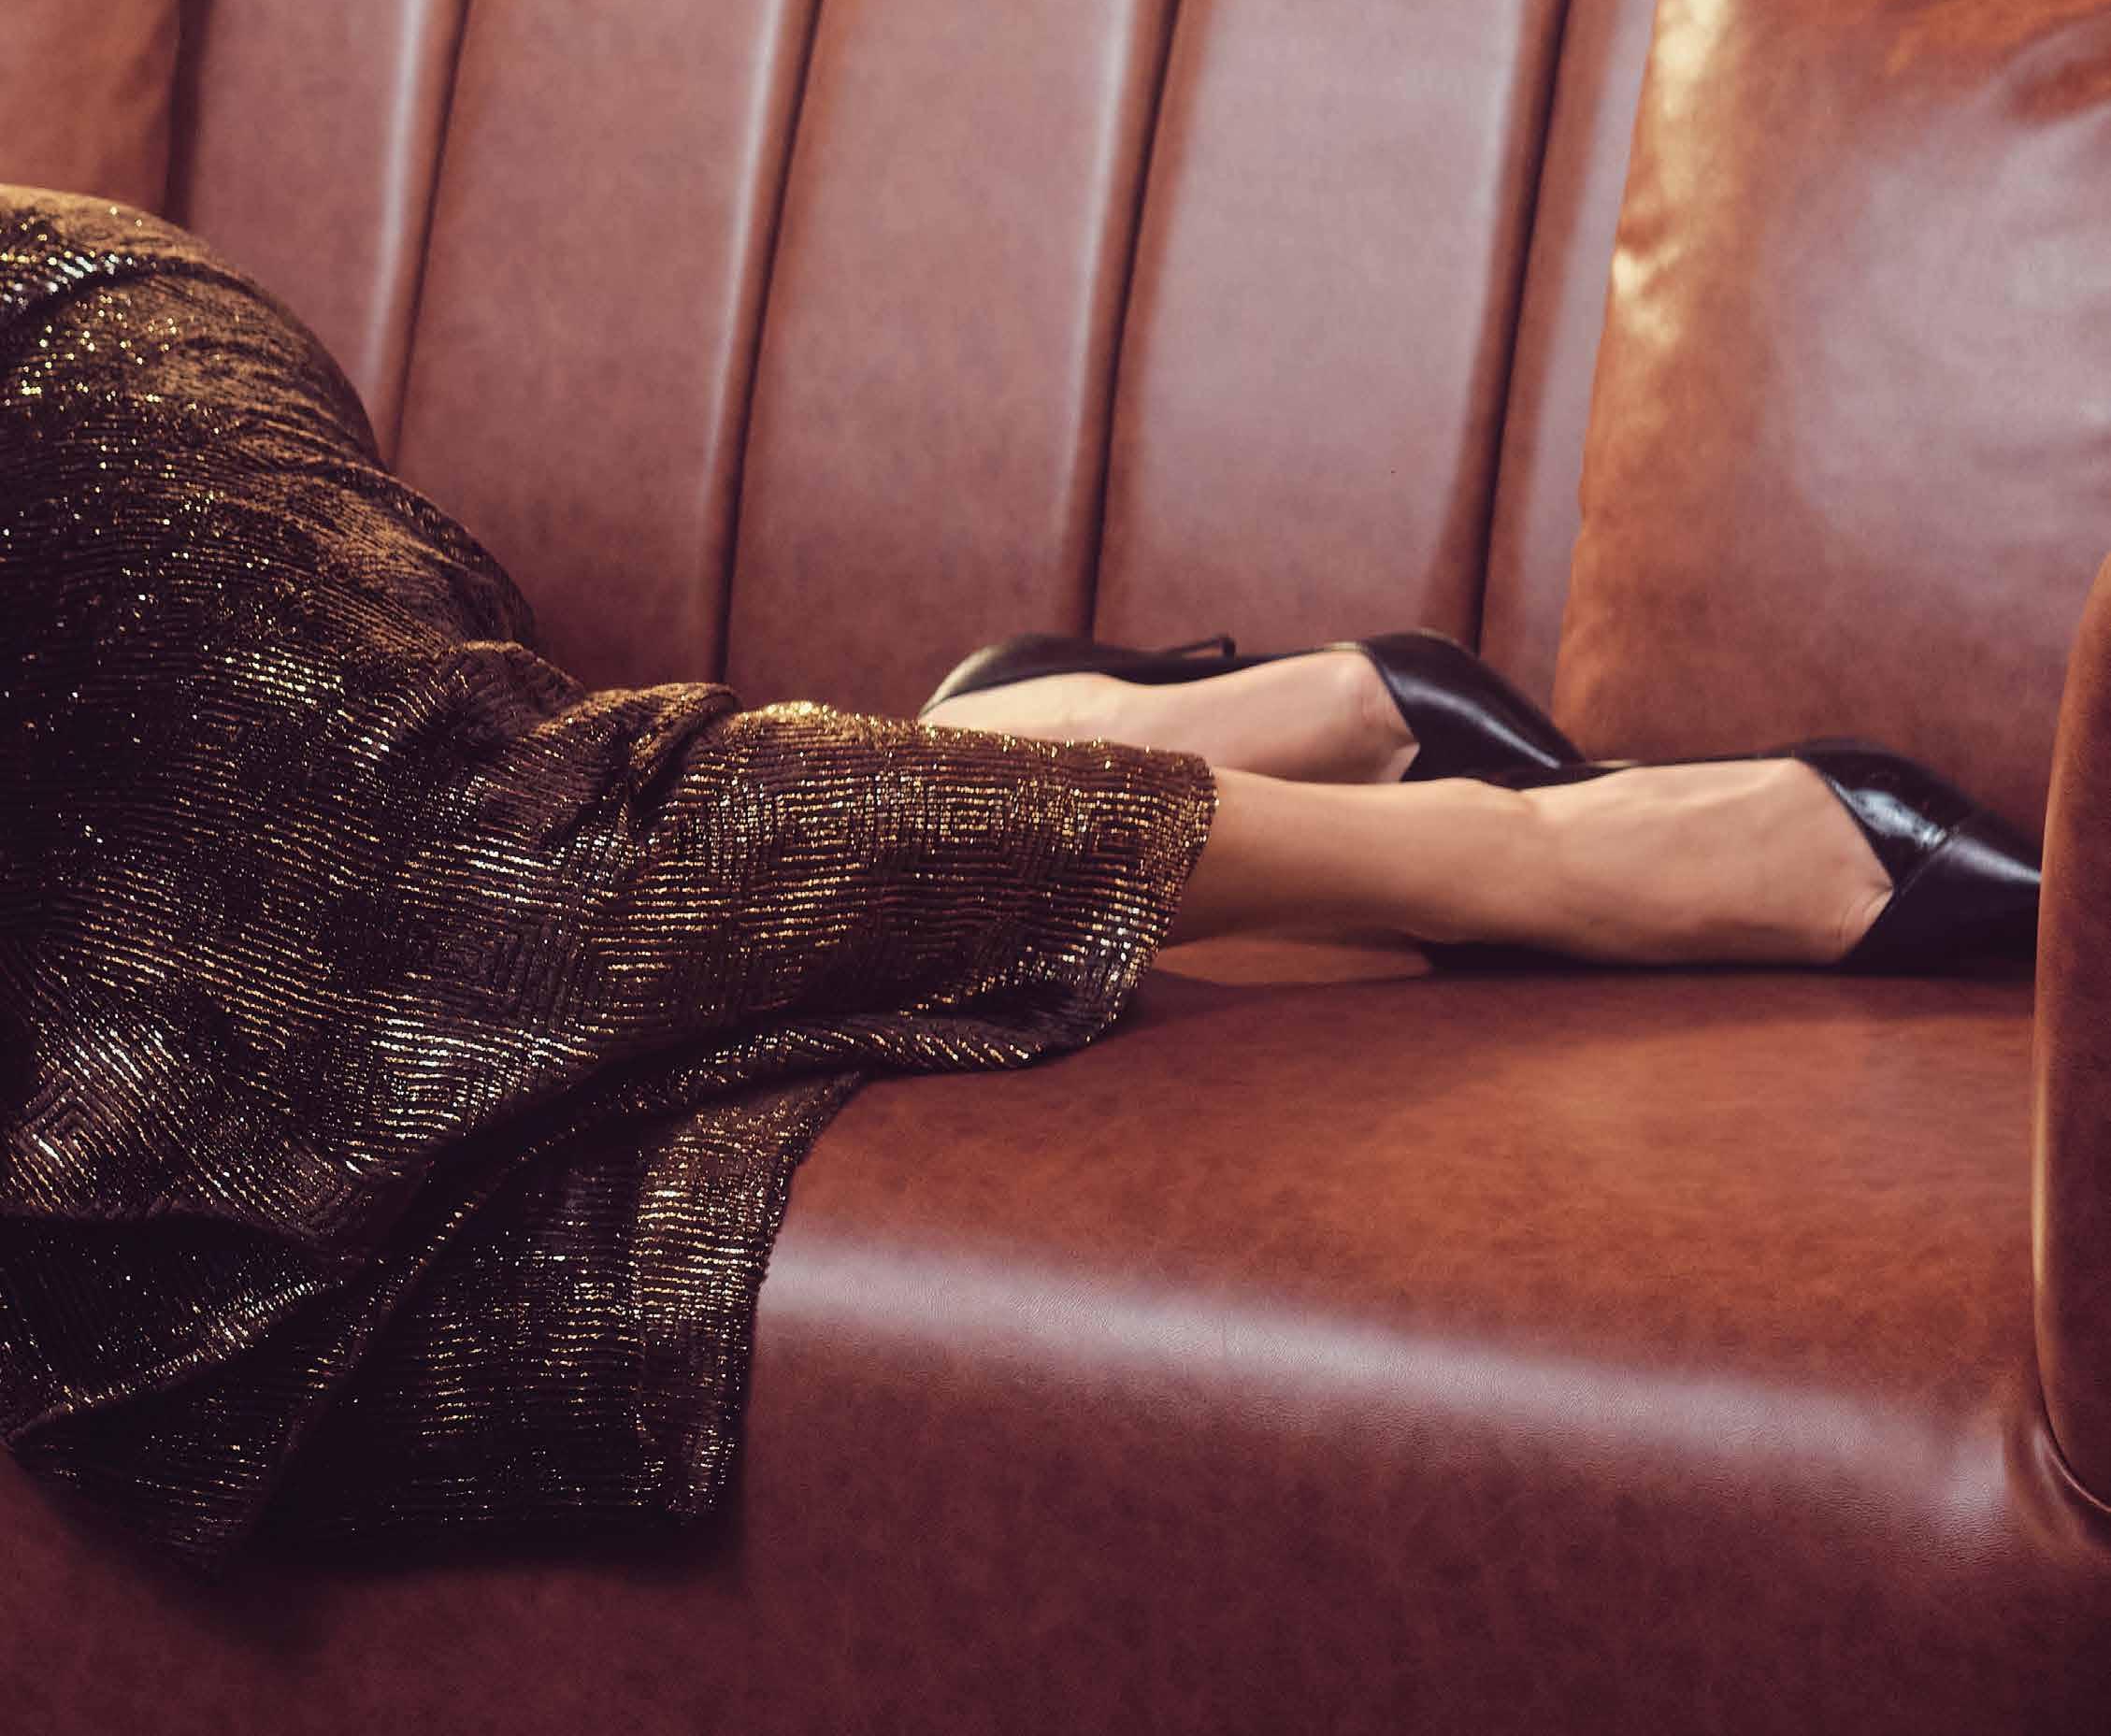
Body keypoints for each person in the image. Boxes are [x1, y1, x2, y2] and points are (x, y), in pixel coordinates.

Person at [0, 189, 2037, 1571]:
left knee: (437, 872)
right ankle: (1035, 739)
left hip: (56, 413)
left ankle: (1530, 849)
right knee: (136, 1260)